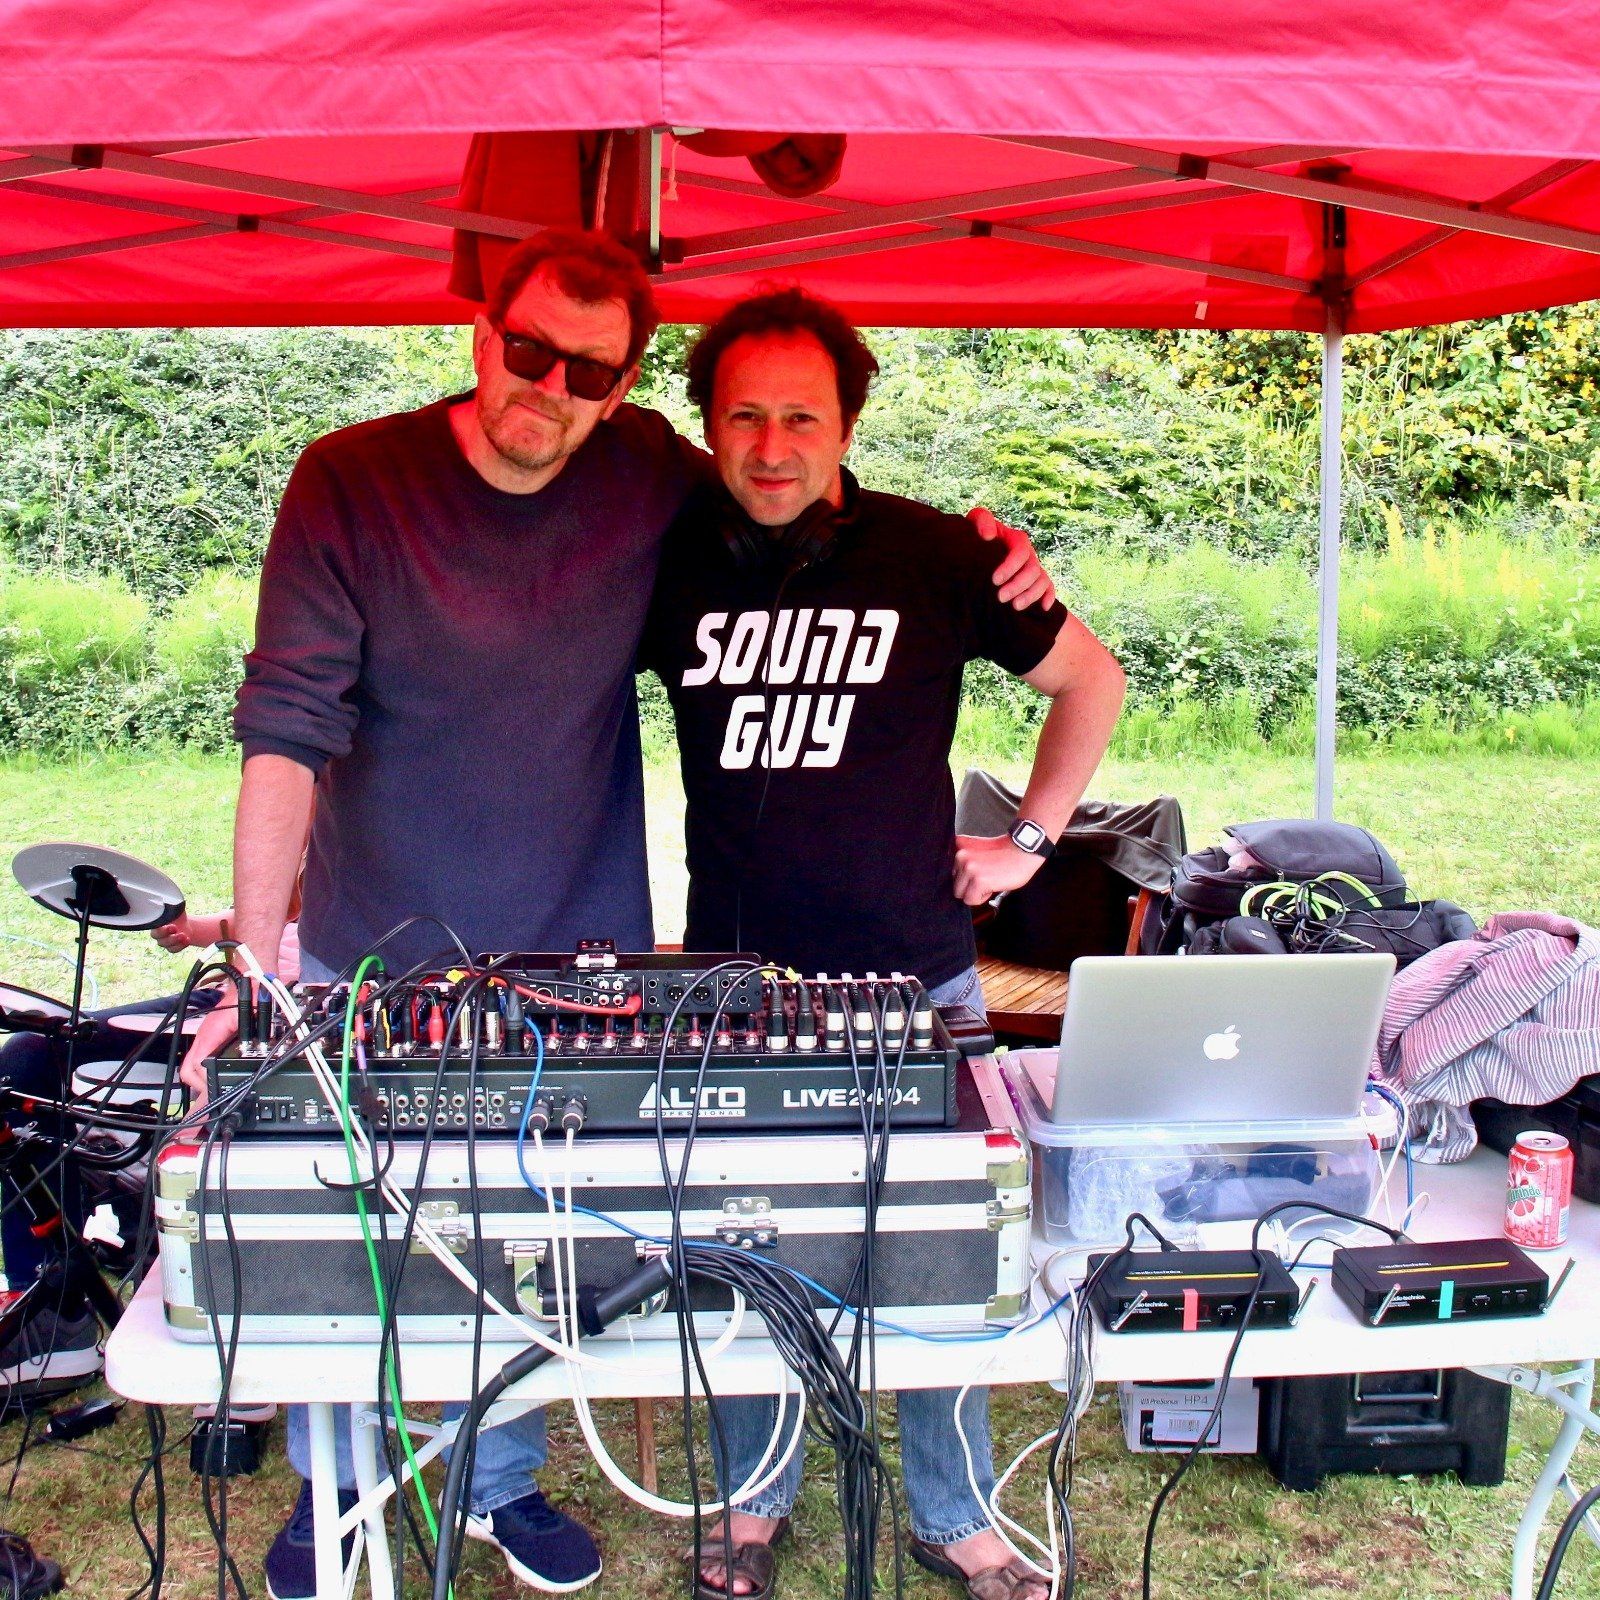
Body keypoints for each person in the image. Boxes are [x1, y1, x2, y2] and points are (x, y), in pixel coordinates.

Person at [179, 228, 1052, 1599]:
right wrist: (253, 962)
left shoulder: (646, 468)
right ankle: (333, 1486)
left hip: (573, 954)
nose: (548, 388)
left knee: (532, 1219)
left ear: (624, 379)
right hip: (379, 943)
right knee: (354, 1228)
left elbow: (796, 488)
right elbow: (284, 727)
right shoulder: (351, 478)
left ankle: (500, 1483)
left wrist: (983, 555)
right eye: (527, 349)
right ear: (483, 332)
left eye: (587, 369)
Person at [639, 288, 1126, 1600]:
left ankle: (957, 1513)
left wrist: (1029, 837)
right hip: (735, 985)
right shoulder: (668, 557)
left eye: (804, 415)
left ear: (848, 423)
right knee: (752, 1246)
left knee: (945, 1248)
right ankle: (750, 1499)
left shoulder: (938, 556)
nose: (773, 445)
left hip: (921, 974)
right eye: (743, 416)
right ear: (709, 427)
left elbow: (1093, 679)